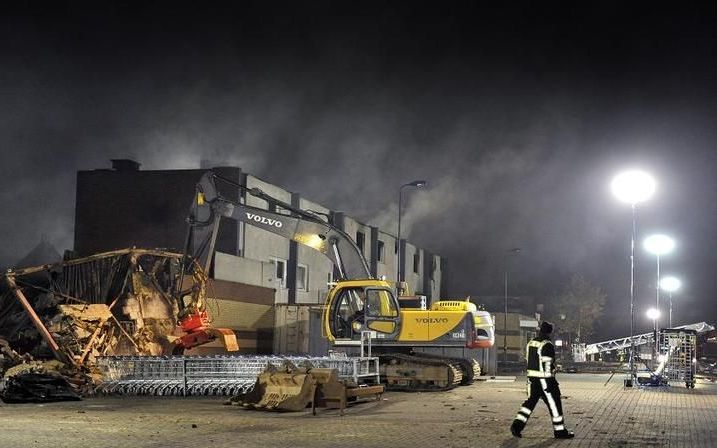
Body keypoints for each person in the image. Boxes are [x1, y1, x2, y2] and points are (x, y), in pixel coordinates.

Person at [510, 321, 574, 439]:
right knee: (555, 405)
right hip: (545, 381)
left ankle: (516, 426)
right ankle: (560, 431)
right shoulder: (547, 344)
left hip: (532, 380)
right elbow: (547, 365)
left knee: (529, 404)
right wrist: (553, 374)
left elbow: (529, 360)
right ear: (550, 332)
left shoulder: (531, 343)